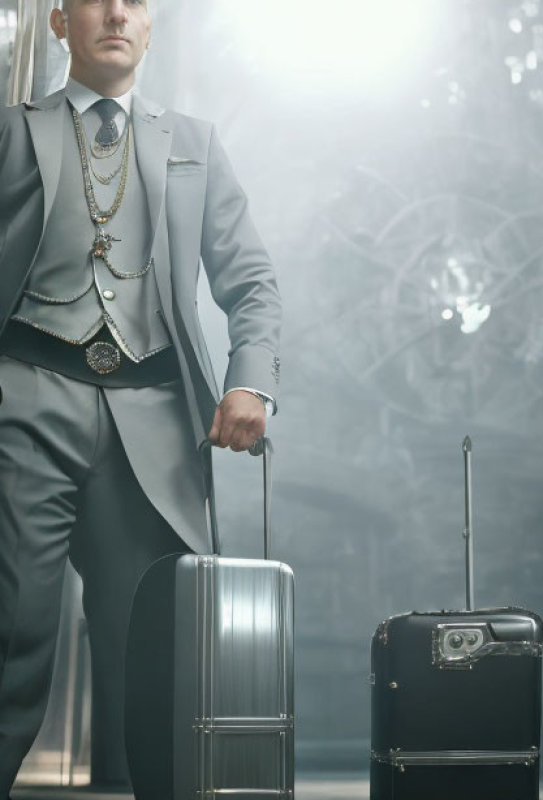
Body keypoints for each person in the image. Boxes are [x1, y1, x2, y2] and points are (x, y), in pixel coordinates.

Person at [0, 0, 281, 792]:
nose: (116, 12)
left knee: (158, 659)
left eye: (134, 1)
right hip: (26, 404)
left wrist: (250, 379)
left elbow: (251, 282)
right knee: (10, 637)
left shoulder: (194, 144)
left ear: (151, 25)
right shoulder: (12, 130)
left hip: (154, 423)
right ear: (60, 23)